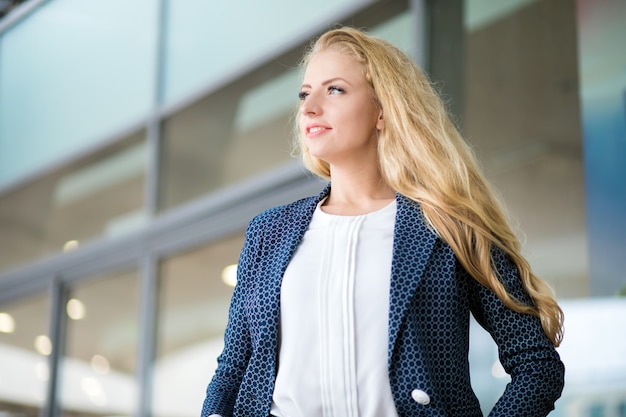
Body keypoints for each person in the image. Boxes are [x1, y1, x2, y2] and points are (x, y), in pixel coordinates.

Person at [200, 26, 565, 417]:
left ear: (382, 110)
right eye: (305, 94)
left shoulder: (448, 224)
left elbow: (536, 366)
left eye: (334, 90)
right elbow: (232, 371)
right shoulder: (268, 231)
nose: (308, 108)